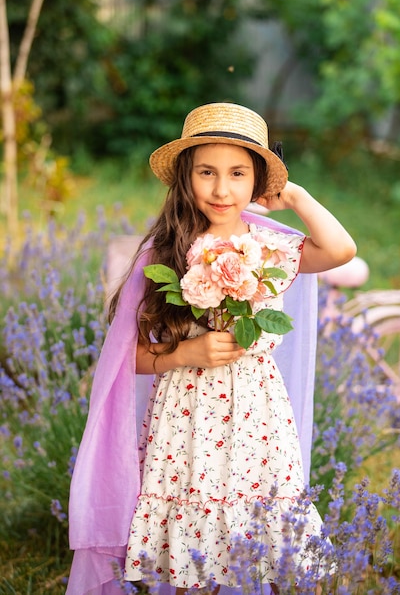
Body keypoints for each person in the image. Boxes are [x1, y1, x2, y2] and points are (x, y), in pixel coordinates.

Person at [67, 102, 356, 595]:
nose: (222, 189)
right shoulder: (167, 252)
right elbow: (127, 357)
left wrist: (298, 197)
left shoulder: (269, 248)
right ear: (185, 176)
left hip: (256, 415)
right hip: (187, 417)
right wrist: (183, 355)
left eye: (238, 173)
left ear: (259, 181)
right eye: (206, 172)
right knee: (191, 555)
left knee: (247, 542)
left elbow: (340, 250)